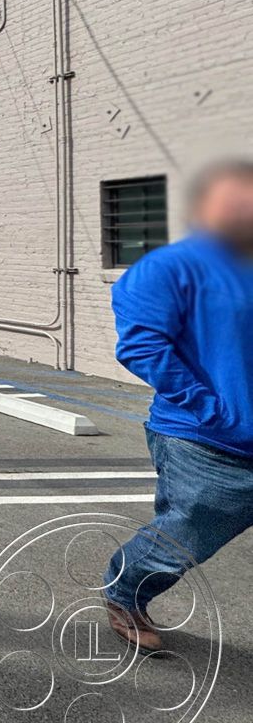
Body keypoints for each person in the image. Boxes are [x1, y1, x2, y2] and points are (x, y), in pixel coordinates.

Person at [102, 160, 253, 651]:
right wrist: (214, 411)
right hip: (210, 440)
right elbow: (141, 346)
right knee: (183, 539)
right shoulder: (169, 268)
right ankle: (124, 591)